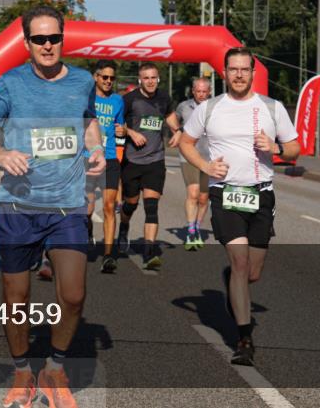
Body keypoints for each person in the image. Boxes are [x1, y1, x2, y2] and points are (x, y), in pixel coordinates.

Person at [0, 5, 105, 408]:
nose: (48, 45)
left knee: (74, 295)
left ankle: (55, 368)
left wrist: (95, 147)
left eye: (54, 38)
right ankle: (23, 373)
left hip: (67, 205)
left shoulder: (82, 81)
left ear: (64, 39)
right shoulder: (9, 83)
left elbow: (88, 122)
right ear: (26, 43)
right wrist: (0, 153)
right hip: (18, 207)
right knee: (17, 298)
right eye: (39, 39)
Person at [177, 47, 300, 366]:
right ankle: (244, 339)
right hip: (225, 194)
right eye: (233, 69)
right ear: (225, 72)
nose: (240, 75)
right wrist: (205, 167)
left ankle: (232, 277)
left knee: (252, 273)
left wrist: (275, 147)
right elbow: (185, 142)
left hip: (261, 194)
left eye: (245, 69)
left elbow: (296, 147)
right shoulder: (210, 108)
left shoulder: (272, 108)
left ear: (253, 73)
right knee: (242, 262)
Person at [118, 63, 181, 270]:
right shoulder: (129, 99)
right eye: (146, 78)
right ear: (140, 80)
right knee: (131, 204)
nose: (151, 81)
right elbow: (118, 125)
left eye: (154, 77)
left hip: (155, 160)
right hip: (132, 161)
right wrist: (131, 132)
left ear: (158, 79)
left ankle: (149, 252)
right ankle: (124, 227)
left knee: (151, 207)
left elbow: (172, 119)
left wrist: (178, 132)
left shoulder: (164, 98)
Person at [91, 60, 126, 273]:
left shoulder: (118, 101)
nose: (108, 81)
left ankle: (107, 254)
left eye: (112, 78)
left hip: (110, 158)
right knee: (85, 208)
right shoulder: (87, 98)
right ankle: (84, 236)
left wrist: (122, 131)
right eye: (105, 77)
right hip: (89, 157)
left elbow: (120, 125)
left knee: (109, 206)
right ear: (96, 77)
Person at [176, 77, 212, 250]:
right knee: (193, 193)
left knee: (204, 198)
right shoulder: (184, 106)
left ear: (210, 92)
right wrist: (177, 132)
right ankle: (190, 231)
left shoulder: (216, 107)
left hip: (209, 158)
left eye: (205, 91)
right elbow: (173, 120)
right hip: (189, 157)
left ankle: (197, 226)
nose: (201, 94)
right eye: (198, 91)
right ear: (193, 91)